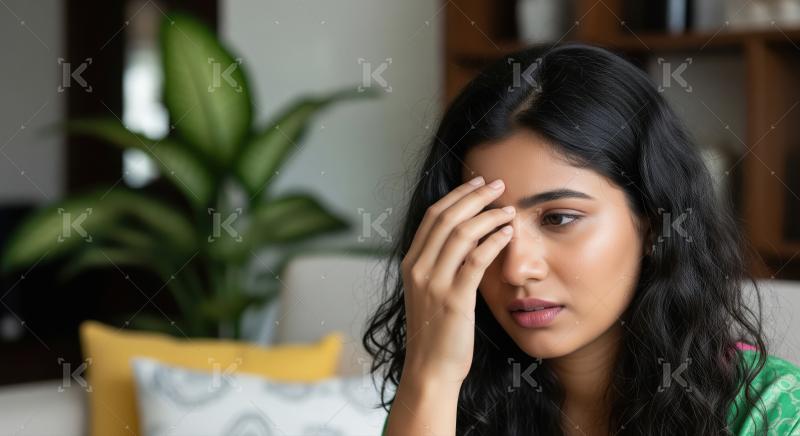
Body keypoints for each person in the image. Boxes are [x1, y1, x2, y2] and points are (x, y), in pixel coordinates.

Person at [361, 42, 800, 435]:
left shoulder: (770, 411)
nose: (517, 268)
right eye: (487, 225)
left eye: (559, 218)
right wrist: (432, 373)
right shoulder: (443, 398)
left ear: (652, 222)